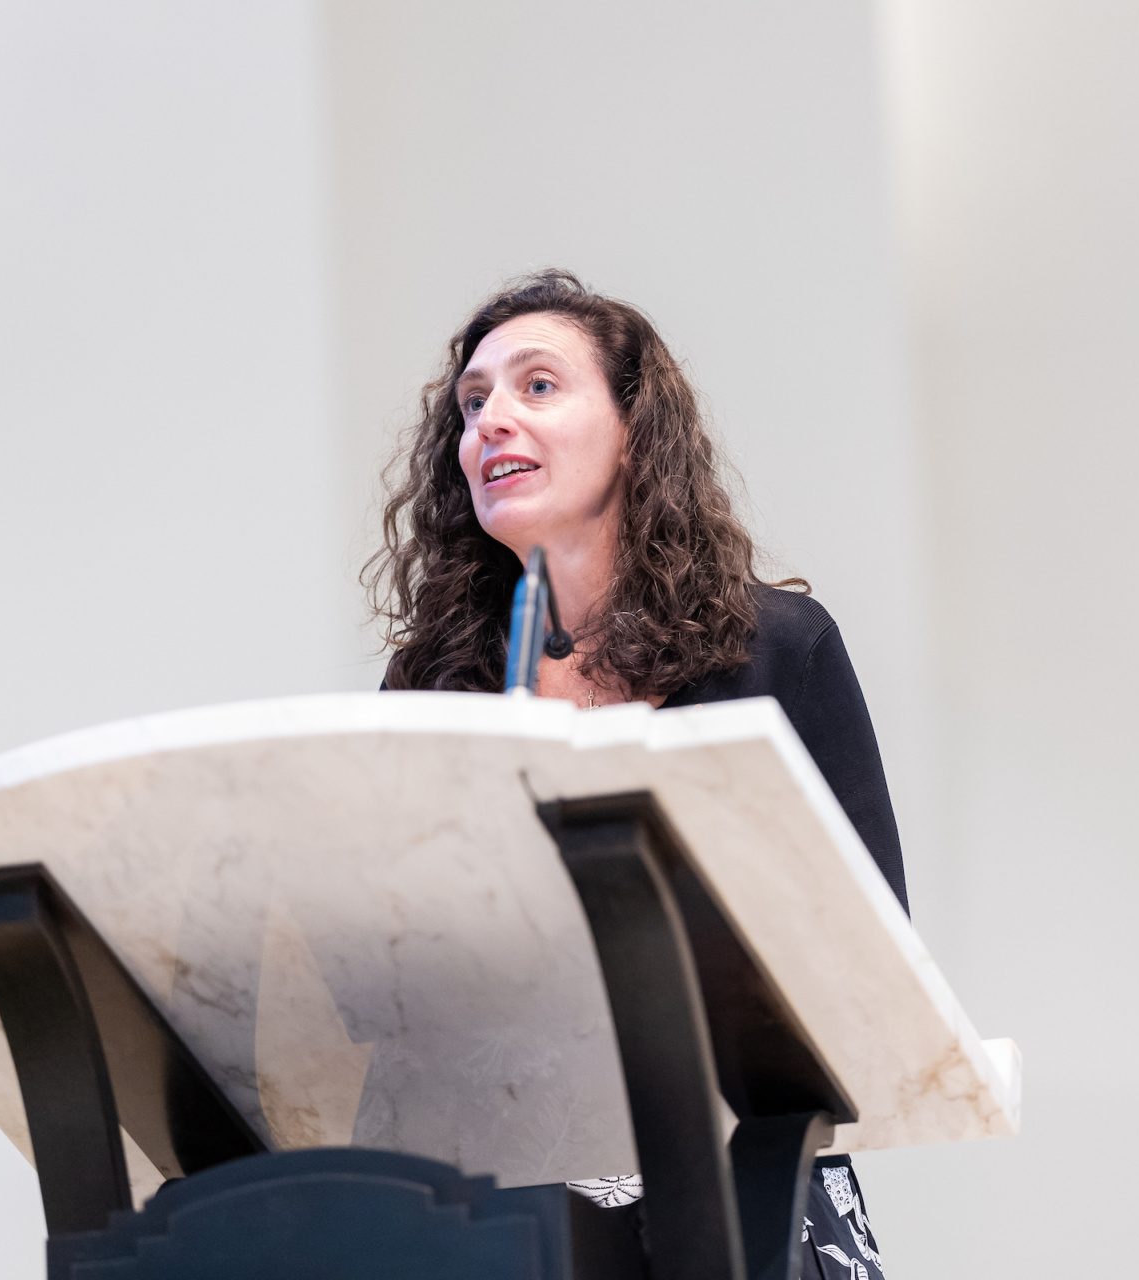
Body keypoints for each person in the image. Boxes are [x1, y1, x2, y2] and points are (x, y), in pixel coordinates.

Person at [365, 269, 902, 1278]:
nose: (489, 422)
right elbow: (397, 977)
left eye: (537, 386)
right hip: (508, 1200)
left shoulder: (776, 650)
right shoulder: (430, 683)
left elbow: (870, 959)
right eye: (472, 404)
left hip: (744, 1185)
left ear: (632, 429)